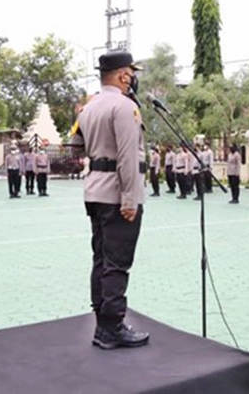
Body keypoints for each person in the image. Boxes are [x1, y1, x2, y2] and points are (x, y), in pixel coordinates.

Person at [76, 51, 149, 349]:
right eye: (131, 72)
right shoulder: (124, 106)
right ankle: (112, 327)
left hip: (95, 192)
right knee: (117, 263)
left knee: (101, 260)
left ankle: (101, 322)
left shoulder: (89, 107)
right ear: (122, 75)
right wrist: (130, 199)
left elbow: (81, 147)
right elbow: (128, 157)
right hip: (118, 196)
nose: (133, 77)